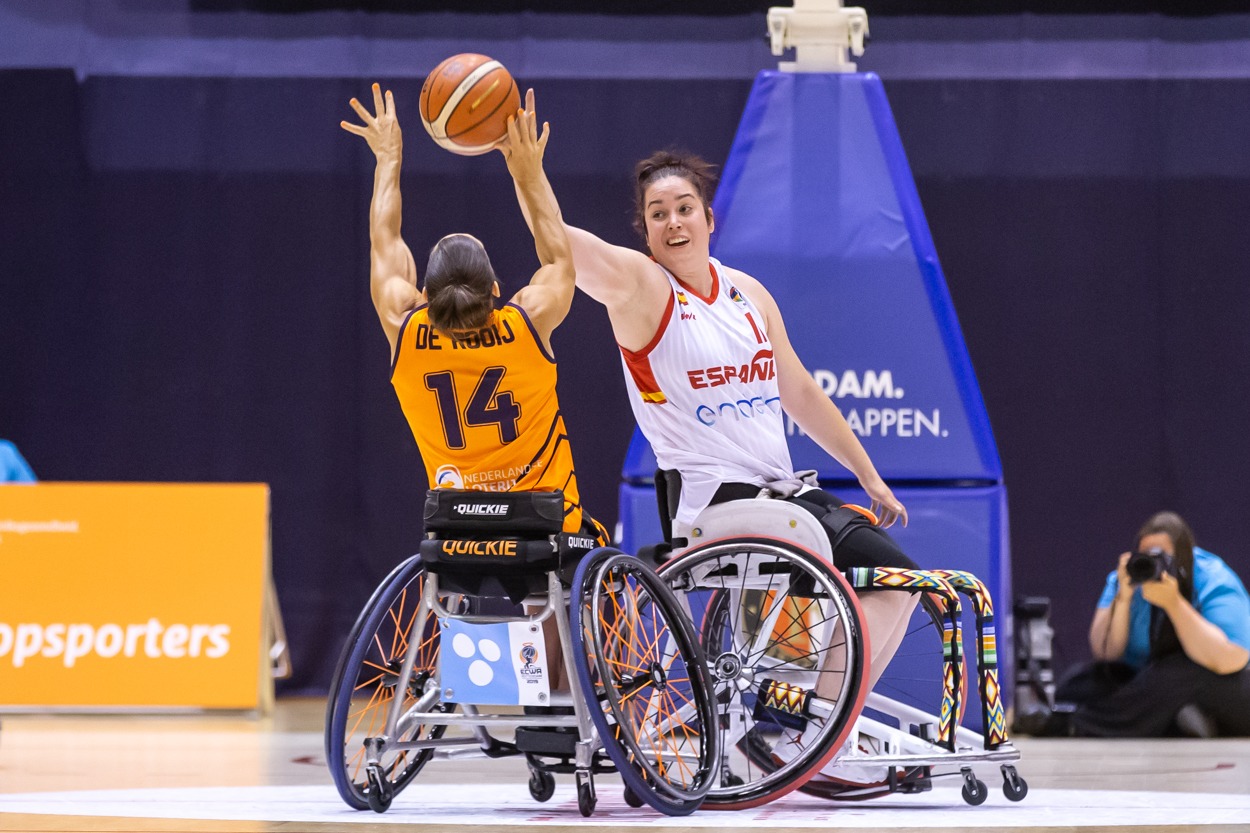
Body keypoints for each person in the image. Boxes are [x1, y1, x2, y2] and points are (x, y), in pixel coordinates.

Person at [517, 149, 920, 715]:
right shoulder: (643, 288)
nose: (674, 222)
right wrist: (523, 169)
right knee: (808, 544)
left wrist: (868, 476)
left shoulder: (748, 294)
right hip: (710, 498)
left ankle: (815, 723)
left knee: (899, 579)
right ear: (647, 230)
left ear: (709, 218)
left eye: (685, 208)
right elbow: (557, 243)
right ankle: (790, 727)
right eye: (658, 214)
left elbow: (799, 390)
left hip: (782, 492)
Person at [341, 85, 607, 685]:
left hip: (454, 530)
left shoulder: (403, 327)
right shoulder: (524, 323)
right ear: (495, 292)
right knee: (589, 563)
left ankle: (477, 684)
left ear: (424, 296)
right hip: (545, 528)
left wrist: (388, 160)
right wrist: (527, 170)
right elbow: (558, 256)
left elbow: (386, 244)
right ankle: (553, 703)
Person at [1041, 511, 1250, 737]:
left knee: (1176, 673)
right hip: (1152, 681)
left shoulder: (1214, 579)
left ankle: (1078, 726)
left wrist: (1174, 604)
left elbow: (1233, 659)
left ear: (1183, 559)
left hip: (1226, 685)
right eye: (1146, 556)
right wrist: (1123, 597)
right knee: (1077, 685)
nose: (1154, 564)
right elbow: (1106, 654)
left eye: (1162, 558)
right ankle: (1179, 721)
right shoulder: (1127, 579)